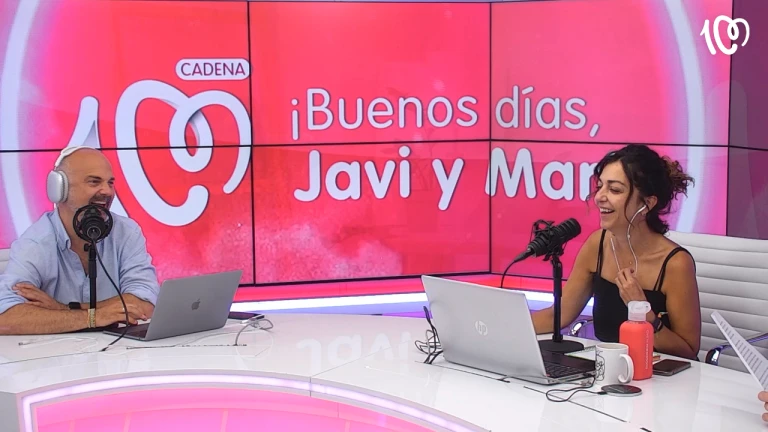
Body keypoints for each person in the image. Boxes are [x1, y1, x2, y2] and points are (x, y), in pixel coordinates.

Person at [531, 144, 701, 360]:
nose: (599, 197)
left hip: (659, 374)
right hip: (607, 370)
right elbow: (559, 315)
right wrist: (501, 328)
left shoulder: (676, 264)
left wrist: (643, 313)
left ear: (647, 204)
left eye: (615, 190)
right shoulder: (597, 244)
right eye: (600, 186)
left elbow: (688, 350)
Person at [0, 146, 159, 335]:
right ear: (60, 189)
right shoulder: (35, 243)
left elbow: (145, 303)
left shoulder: (126, 232)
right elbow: (6, 317)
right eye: (94, 182)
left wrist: (62, 309)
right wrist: (95, 317)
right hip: (55, 352)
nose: (107, 191)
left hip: (118, 350)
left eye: (110, 183)